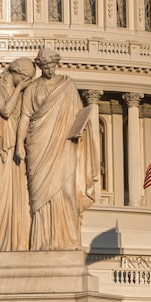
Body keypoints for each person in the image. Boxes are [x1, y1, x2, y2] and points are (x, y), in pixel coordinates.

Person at [21, 45, 97, 251]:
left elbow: (78, 115)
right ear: (40, 66)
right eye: (45, 66)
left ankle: (69, 240)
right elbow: (25, 116)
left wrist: (81, 130)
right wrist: (20, 144)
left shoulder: (67, 85)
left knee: (68, 192)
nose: (50, 69)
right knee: (41, 199)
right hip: (38, 145)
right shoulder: (32, 89)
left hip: (64, 145)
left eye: (53, 65)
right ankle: (42, 241)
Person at [0, 58, 35, 251]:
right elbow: (5, 110)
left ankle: (18, 243)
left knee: (19, 198)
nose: (27, 83)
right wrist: (19, 90)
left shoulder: (25, 92)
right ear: (17, 73)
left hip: (14, 148)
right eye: (26, 78)